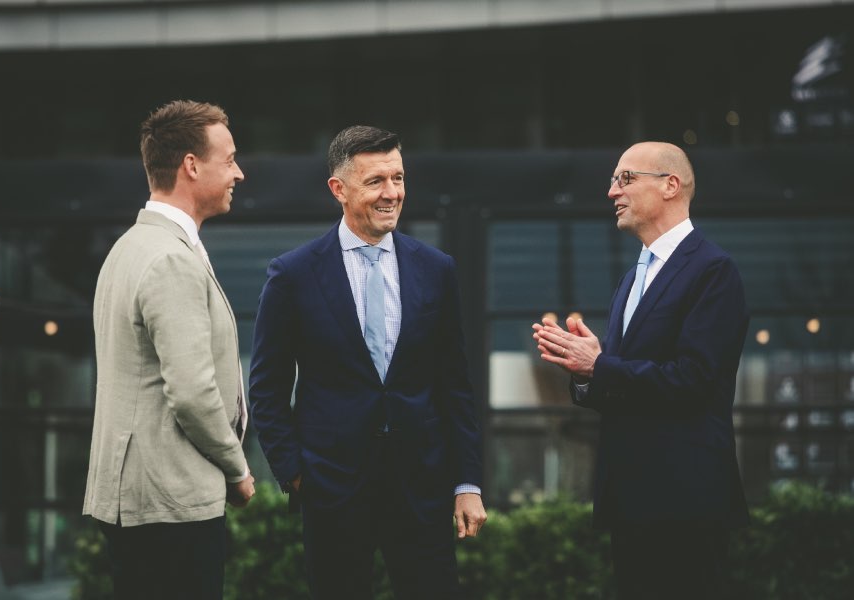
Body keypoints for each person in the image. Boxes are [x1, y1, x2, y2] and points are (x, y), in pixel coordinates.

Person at [249, 125, 486, 599]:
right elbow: (266, 389)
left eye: (398, 178)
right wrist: (296, 472)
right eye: (375, 181)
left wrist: (467, 482)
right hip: (330, 490)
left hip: (422, 488)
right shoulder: (293, 274)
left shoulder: (436, 268)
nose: (392, 193)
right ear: (338, 189)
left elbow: (454, 385)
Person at [532, 142, 749, 599]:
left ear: (670, 185)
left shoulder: (713, 270)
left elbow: (693, 380)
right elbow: (624, 381)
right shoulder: (633, 277)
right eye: (614, 180)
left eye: (625, 179)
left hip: (685, 501)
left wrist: (601, 364)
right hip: (631, 500)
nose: (612, 192)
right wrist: (586, 370)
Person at [83, 100, 255, 600]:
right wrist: (238, 469)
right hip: (169, 503)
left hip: (141, 502)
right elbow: (193, 393)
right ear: (191, 165)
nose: (239, 173)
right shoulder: (170, 260)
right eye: (230, 160)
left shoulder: (128, 248)